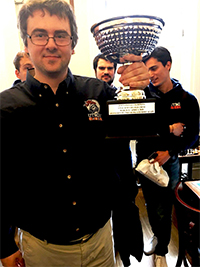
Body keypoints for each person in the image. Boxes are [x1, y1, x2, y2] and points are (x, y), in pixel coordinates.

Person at [0, 1, 150, 267]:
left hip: (101, 241)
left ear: (72, 44)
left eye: (60, 35)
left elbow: (141, 127)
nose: (51, 43)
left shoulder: (99, 93)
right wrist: (2, 245)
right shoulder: (5, 108)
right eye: (39, 34)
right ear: (26, 43)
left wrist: (140, 87)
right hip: (42, 249)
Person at [136, 46, 199, 267]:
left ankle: (161, 249)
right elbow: (139, 128)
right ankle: (157, 236)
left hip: (170, 163)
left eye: (154, 68)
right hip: (146, 162)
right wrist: (170, 128)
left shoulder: (187, 99)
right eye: (147, 70)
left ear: (168, 65)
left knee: (165, 206)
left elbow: (192, 135)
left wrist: (170, 152)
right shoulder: (143, 96)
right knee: (152, 206)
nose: (151, 74)